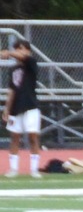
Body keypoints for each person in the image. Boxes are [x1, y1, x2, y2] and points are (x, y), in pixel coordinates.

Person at [2, 39, 42, 178]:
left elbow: (24, 57)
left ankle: (34, 169)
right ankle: (13, 169)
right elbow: (12, 89)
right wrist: (7, 108)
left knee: (33, 136)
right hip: (16, 107)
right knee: (14, 137)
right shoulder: (13, 69)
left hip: (30, 105)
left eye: (23, 48)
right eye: (18, 48)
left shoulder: (31, 63)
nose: (20, 51)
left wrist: (9, 53)